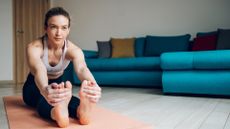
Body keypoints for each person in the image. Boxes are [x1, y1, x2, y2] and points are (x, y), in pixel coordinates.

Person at [22, 7, 101, 128]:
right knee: (43, 99)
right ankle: (56, 112)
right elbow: (39, 69)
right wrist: (44, 89)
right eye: (54, 27)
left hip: (59, 83)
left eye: (64, 27)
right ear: (46, 28)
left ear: (68, 30)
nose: (59, 33)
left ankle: (81, 111)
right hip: (34, 85)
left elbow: (82, 69)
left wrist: (93, 86)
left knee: (65, 98)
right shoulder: (34, 47)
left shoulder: (74, 50)